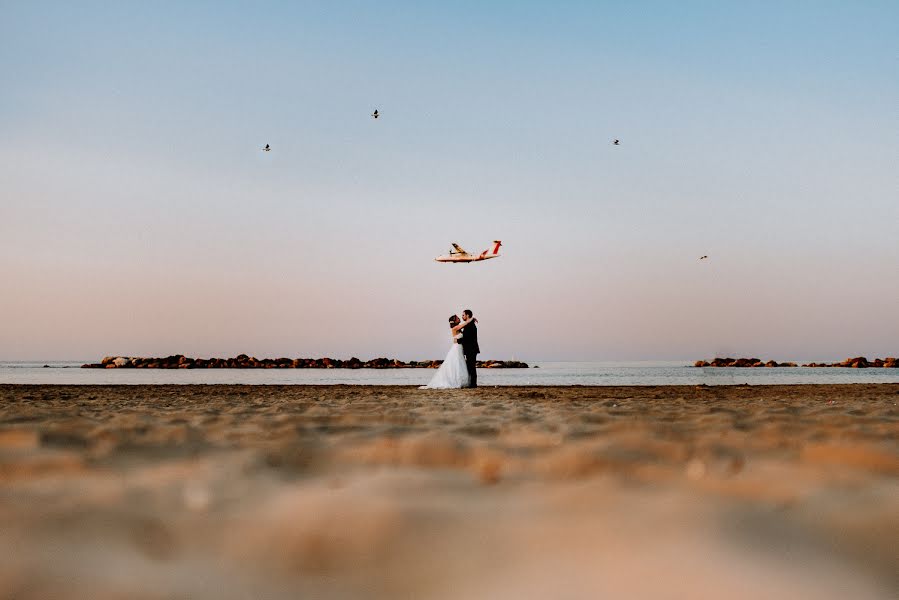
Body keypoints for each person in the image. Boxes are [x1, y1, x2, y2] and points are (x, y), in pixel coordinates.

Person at [420, 314, 476, 389]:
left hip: (460, 348)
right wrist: (472, 319)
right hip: (456, 348)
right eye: (458, 318)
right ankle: (455, 380)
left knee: (459, 363)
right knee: (456, 363)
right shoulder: (455, 328)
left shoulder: (459, 329)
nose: (459, 318)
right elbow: (465, 323)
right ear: (455, 321)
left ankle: (460, 380)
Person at [456, 309, 480, 387]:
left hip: (471, 349)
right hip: (470, 349)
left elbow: (467, 337)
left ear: (467, 315)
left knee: (471, 366)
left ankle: (473, 384)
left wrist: (458, 340)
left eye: (463, 315)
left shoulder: (470, 325)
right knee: (470, 366)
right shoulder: (469, 324)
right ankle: (471, 383)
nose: (462, 316)